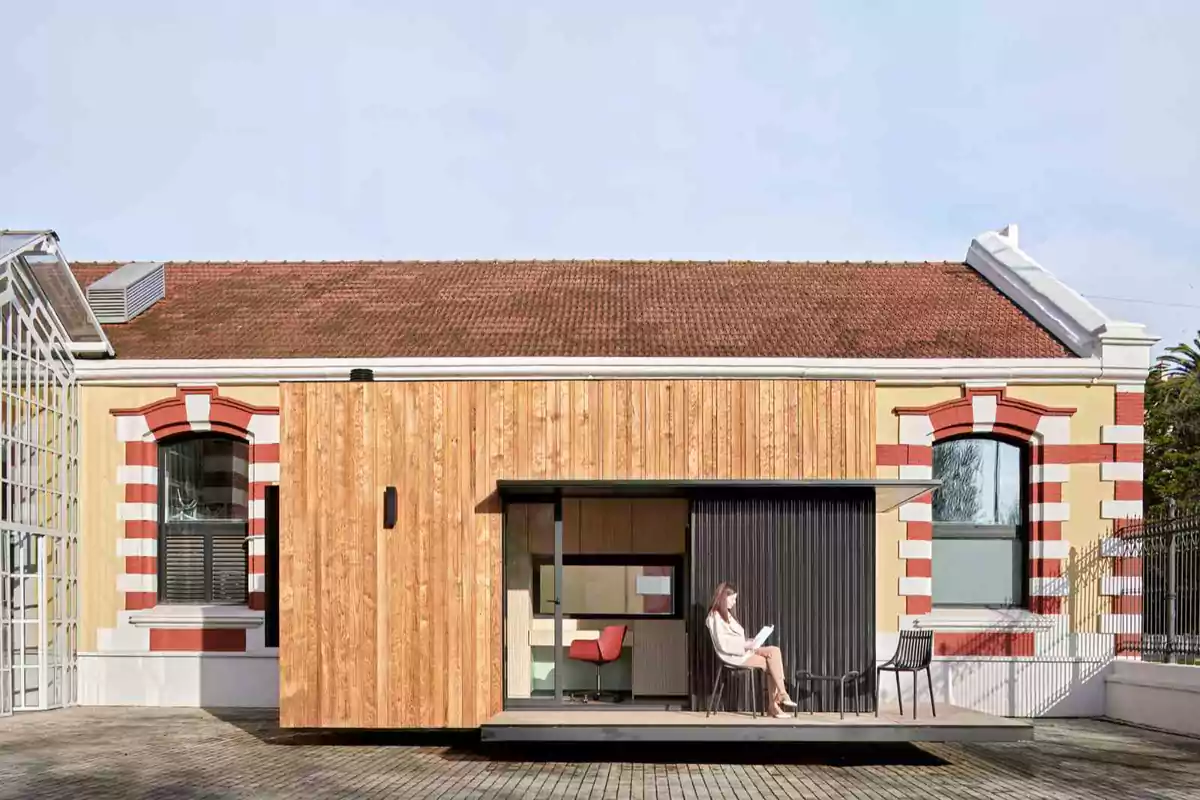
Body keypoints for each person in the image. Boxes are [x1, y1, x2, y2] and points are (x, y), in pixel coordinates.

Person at [705, 581, 797, 717]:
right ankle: (776, 703)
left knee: (774, 651)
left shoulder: (727, 615)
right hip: (733, 655)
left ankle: (780, 696)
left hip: (744, 650)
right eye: (733, 599)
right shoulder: (714, 617)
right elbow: (723, 643)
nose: (734, 602)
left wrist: (750, 641)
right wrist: (744, 645)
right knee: (770, 663)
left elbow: (735, 637)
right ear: (724, 597)